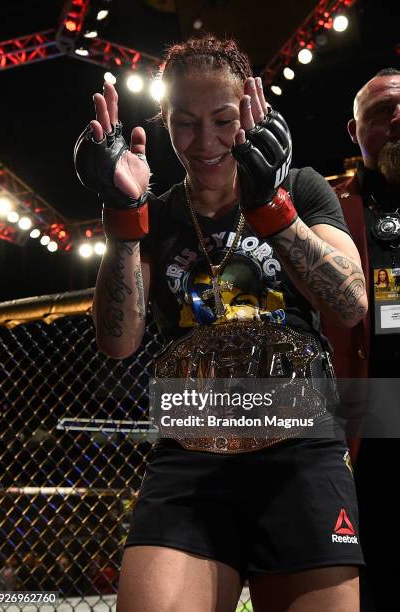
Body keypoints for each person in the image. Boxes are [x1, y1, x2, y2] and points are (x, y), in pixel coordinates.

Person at [74, 35, 368, 612]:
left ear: (250, 114)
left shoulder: (302, 188)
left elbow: (352, 301)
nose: (206, 142)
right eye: (184, 123)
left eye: (223, 120)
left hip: (300, 444)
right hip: (190, 448)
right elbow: (117, 340)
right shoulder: (155, 213)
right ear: (164, 124)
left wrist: (272, 209)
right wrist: (123, 219)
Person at [323, 68, 400, 611]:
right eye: (381, 113)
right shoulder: (329, 207)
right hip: (369, 413)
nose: (397, 121)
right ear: (355, 132)